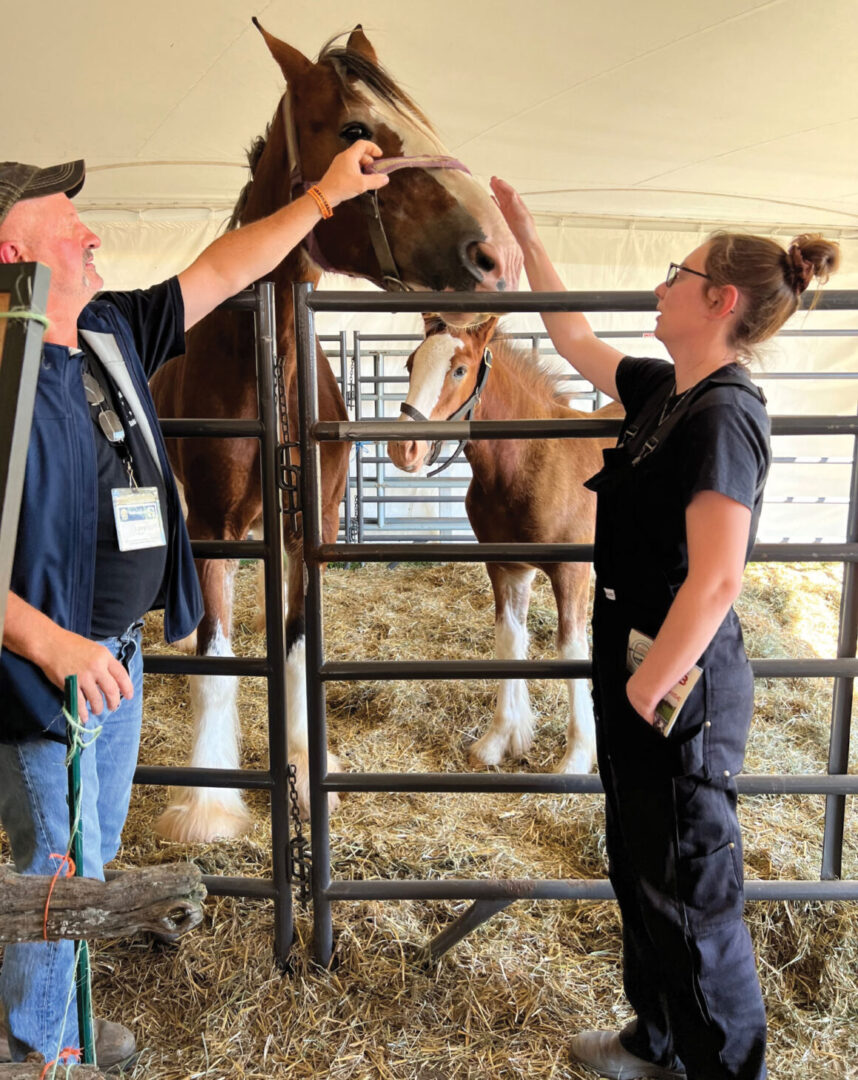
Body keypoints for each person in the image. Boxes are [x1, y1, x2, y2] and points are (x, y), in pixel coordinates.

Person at [0, 147, 388, 1068]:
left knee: (87, 856)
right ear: (12, 247)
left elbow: (225, 266)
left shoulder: (105, 329)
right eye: (68, 222)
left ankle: (62, 1019)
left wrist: (322, 198)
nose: (91, 234)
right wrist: (51, 641)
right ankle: (35, 1049)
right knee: (57, 866)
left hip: (117, 660)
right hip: (39, 676)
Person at [490, 176, 839, 1080]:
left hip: (677, 688)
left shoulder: (724, 414)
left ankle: (726, 1068)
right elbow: (571, 337)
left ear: (718, 300)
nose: (658, 286)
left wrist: (651, 683)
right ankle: (658, 1041)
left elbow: (720, 576)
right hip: (637, 666)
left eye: (674, 274)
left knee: (691, 893)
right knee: (639, 869)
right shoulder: (664, 390)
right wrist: (525, 231)